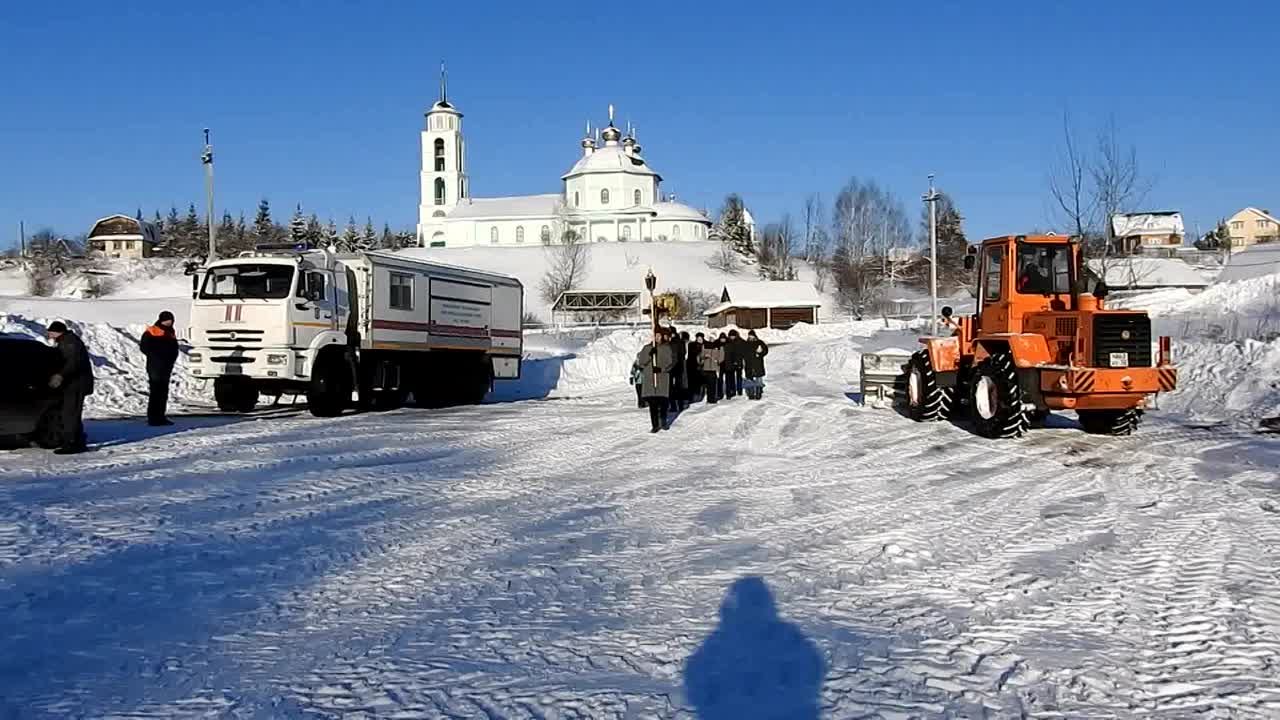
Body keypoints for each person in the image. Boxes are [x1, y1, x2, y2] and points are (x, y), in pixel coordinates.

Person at [45, 321, 94, 454]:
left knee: (70, 414)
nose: (49, 334)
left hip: (76, 384)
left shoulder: (69, 342)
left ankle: (71, 444)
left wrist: (60, 375)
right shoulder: (66, 341)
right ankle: (77, 441)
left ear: (57, 332)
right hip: (74, 383)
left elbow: (72, 362)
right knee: (73, 414)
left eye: (51, 332)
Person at [140, 310, 179, 426]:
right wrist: (157, 355)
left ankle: (161, 416)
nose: (169, 322)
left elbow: (174, 348)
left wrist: (172, 357)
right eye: (167, 320)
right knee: (156, 392)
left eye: (171, 320)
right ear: (162, 320)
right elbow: (144, 347)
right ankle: (153, 417)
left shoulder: (170, 332)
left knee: (163, 392)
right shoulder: (152, 331)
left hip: (166, 366)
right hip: (155, 366)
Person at [635, 329, 676, 432]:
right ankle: (655, 425)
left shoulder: (666, 348)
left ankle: (663, 421)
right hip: (650, 381)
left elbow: (670, 363)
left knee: (663, 403)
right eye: (655, 336)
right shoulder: (646, 348)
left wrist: (661, 369)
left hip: (662, 380)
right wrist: (650, 354)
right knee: (652, 405)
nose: (657, 338)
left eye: (659, 336)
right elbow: (641, 363)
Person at [743, 329, 770, 400]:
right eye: (749, 336)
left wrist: (760, 352)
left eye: (752, 336)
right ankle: (751, 394)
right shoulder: (746, 344)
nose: (751, 338)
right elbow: (742, 353)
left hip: (758, 364)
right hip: (749, 364)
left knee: (759, 379)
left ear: (755, 336)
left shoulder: (759, 342)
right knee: (749, 380)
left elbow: (765, 350)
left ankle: (759, 393)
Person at [669, 326, 687, 412]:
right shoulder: (671, 342)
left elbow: (682, 354)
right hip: (673, 367)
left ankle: (678, 404)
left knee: (677, 386)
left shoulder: (678, 342)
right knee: (673, 387)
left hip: (677, 366)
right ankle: (675, 405)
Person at [700, 334, 722, 403]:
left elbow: (721, 355)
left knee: (713, 384)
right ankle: (708, 398)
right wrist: (704, 357)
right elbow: (701, 355)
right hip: (706, 367)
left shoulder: (718, 346)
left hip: (714, 367)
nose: (711, 339)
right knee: (708, 384)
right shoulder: (705, 345)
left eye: (712, 338)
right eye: (710, 338)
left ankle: (712, 398)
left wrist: (718, 360)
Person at [724, 330, 746, 399]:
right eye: (731, 336)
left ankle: (739, 390)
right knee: (732, 378)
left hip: (739, 362)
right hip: (730, 363)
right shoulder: (728, 342)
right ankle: (732, 391)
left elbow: (744, 351)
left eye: (733, 336)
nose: (732, 337)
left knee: (739, 377)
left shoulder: (741, 341)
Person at [685, 332, 703, 403]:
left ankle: (697, 394)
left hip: (699, 367)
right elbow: (691, 353)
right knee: (691, 382)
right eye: (698, 338)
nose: (699, 340)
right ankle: (691, 396)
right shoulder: (691, 345)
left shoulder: (704, 345)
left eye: (701, 338)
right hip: (691, 366)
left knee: (698, 382)